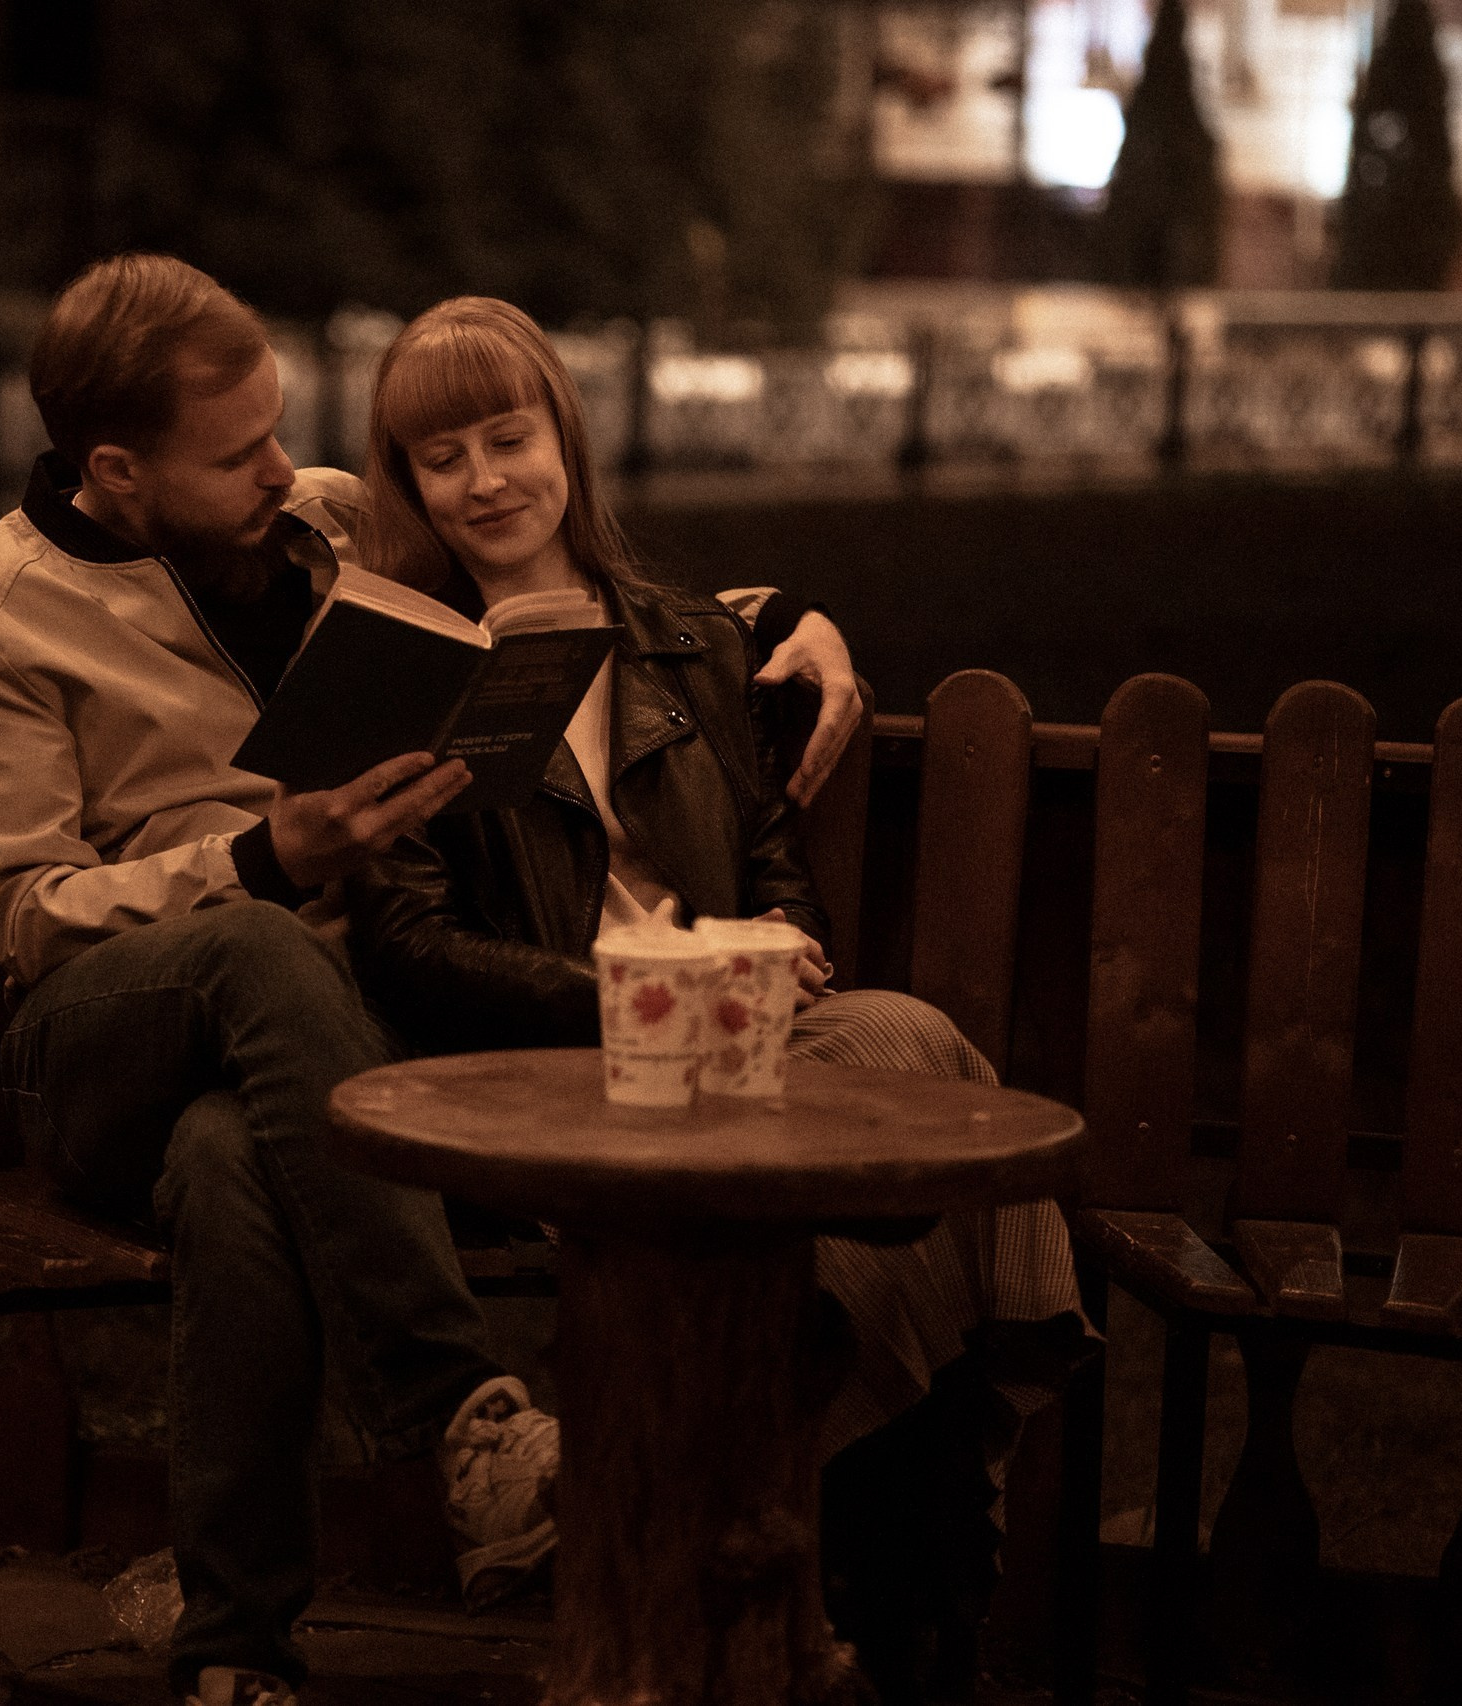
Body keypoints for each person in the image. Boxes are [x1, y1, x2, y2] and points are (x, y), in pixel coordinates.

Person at [0, 257, 864, 1706]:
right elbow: (29, 917)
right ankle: (464, 1412)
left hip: (302, 1061)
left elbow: (563, 574)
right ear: (115, 472)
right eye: (237, 454)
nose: (282, 470)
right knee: (257, 942)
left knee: (231, 1158)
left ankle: (232, 1652)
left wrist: (799, 611)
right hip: (102, 1036)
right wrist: (263, 856)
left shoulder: (324, 528)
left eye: (279, 430)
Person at [343, 296, 1092, 1704]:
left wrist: (775, 945)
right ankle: (898, 1585)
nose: (486, 480)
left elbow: (775, 873)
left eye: (509, 437)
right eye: (443, 458)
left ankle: (802, 1561)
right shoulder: (408, 673)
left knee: (902, 1055)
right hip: (564, 1063)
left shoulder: (691, 644)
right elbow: (408, 947)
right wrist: (641, 986)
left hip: (743, 1035)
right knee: (902, 1077)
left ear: (566, 438)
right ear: (407, 482)